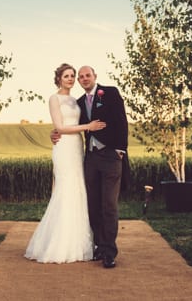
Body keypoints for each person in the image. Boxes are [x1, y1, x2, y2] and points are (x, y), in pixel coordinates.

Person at [25, 63, 106, 263]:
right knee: (65, 189)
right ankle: (58, 243)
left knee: (78, 190)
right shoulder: (55, 99)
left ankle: (80, 242)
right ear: (59, 79)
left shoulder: (76, 101)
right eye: (66, 76)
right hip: (63, 149)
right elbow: (59, 127)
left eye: (72, 76)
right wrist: (87, 126)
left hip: (77, 148)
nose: (70, 79)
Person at [54, 65, 129, 268]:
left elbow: (122, 121)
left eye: (88, 75)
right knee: (93, 205)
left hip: (111, 156)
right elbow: (67, 125)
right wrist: (55, 133)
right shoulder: (78, 103)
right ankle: (98, 246)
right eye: (81, 77)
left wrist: (120, 149)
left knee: (109, 206)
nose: (84, 78)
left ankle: (109, 252)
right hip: (91, 158)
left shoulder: (110, 93)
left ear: (95, 76)